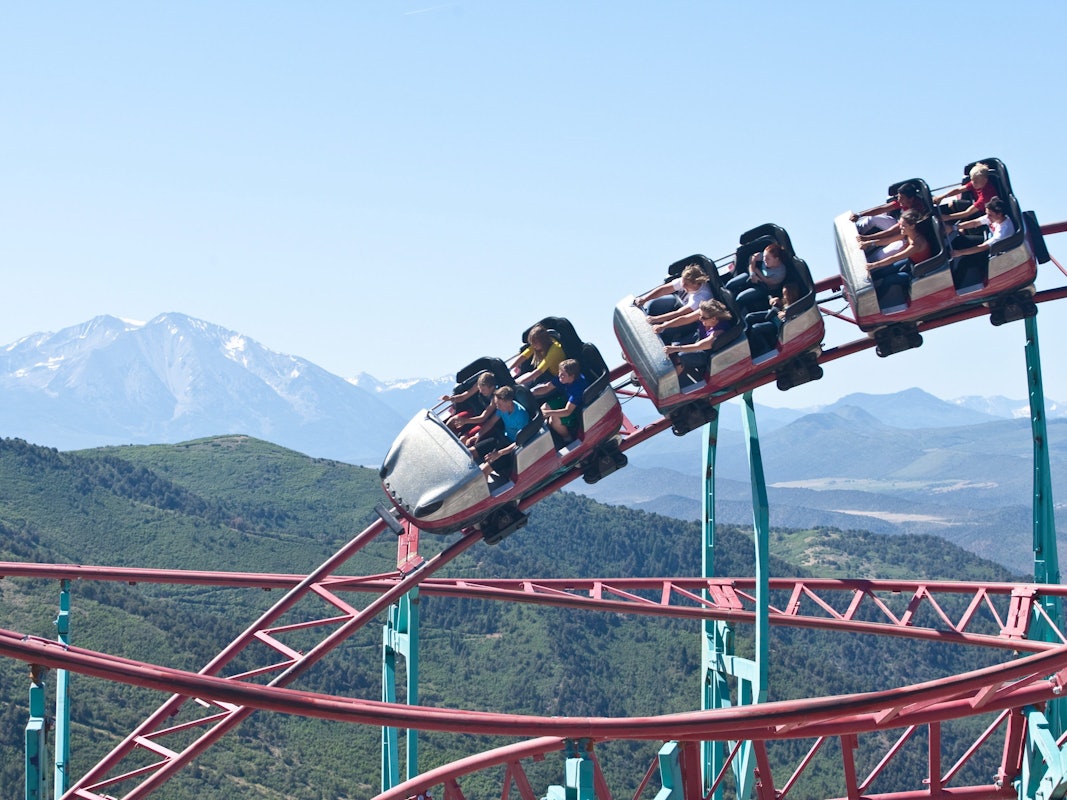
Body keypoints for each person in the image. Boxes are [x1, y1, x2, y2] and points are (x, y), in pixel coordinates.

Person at [863, 210, 935, 307]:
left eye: (903, 225)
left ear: (912, 226)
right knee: (881, 272)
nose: (900, 227)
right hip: (910, 262)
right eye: (900, 224)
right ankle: (867, 290)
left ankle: (873, 304)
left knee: (888, 280)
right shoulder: (908, 233)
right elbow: (888, 240)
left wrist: (874, 265)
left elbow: (894, 258)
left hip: (918, 272)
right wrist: (870, 243)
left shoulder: (916, 244)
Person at [949, 196, 1016, 290]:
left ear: (999, 214)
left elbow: (983, 247)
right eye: (987, 214)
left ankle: (955, 287)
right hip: (987, 240)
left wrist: (960, 253)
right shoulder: (994, 217)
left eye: (990, 215)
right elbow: (975, 223)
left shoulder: (1003, 232)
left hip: (991, 252)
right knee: (959, 241)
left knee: (964, 263)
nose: (987, 217)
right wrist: (954, 228)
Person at [634, 264, 714, 342]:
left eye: (686, 284)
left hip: (688, 319)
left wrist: (656, 319)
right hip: (678, 303)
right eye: (682, 281)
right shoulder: (685, 280)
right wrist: (644, 299)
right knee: (655, 304)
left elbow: (679, 313)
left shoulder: (703, 296)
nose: (682, 285)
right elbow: (663, 290)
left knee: (668, 329)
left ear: (696, 283)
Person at [662, 298, 736, 381]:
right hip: (698, 337)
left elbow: (700, 346)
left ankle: (670, 382)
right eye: (700, 315)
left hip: (705, 352)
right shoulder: (704, 314)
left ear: (714, 319)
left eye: (703, 318)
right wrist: (663, 326)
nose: (700, 318)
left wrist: (676, 349)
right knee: (674, 345)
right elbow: (685, 319)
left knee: (681, 357)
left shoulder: (719, 331)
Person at [469, 385, 531, 480]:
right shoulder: (502, 409)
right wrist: (479, 435)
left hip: (510, 450)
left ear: (509, 402)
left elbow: (519, 443)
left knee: (483, 472)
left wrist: (499, 453)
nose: (497, 406)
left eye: (499, 404)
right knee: (470, 453)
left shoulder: (521, 416)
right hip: (502, 439)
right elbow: (490, 423)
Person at [725, 243, 790, 316]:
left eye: (768, 258)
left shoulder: (781, 272)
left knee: (740, 298)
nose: (764, 260)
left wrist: (757, 273)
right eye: (764, 257)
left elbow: (768, 282)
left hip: (763, 288)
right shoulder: (765, 256)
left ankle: (733, 315)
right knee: (730, 285)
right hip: (753, 275)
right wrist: (752, 273)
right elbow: (752, 258)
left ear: (777, 259)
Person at [534, 358, 588, 444]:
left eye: (562, 374)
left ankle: (567, 438)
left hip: (575, 410)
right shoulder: (563, 378)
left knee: (553, 419)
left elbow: (568, 411)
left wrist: (548, 413)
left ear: (572, 376)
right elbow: (547, 387)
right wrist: (531, 393)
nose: (559, 376)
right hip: (565, 400)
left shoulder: (578, 389)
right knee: (544, 407)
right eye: (560, 373)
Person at [850, 182, 926, 236]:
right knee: (872, 218)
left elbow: (895, 229)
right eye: (898, 197)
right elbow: (882, 209)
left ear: (911, 199)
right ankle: (856, 229)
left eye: (902, 198)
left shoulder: (916, 210)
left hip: (904, 231)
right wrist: (859, 215)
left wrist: (868, 239)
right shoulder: (903, 202)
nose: (899, 200)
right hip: (899, 223)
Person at [745, 283, 799, 358]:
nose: (784, 297)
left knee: (756, 328)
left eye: (785, 295)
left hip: (777, 325)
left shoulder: (795, 307)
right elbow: (780, 304)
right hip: (773, 315)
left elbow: (792, 321)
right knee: (749, 317)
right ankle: (746, 335)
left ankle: (759, 349)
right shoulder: (785, 301)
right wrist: (776, 300)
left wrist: (784, 315)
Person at [934, 162, 999, 224]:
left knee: (957, 211)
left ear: (985, 180)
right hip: (973, 203)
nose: (973, 183)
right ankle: (934, 212)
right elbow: (958, 190)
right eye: (972, 180)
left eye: (975, 181)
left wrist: (947, 217)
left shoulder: (986, 196)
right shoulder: (975, 182)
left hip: (980, 213)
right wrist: (942, 197)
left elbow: (967, 212)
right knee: (953, 204)